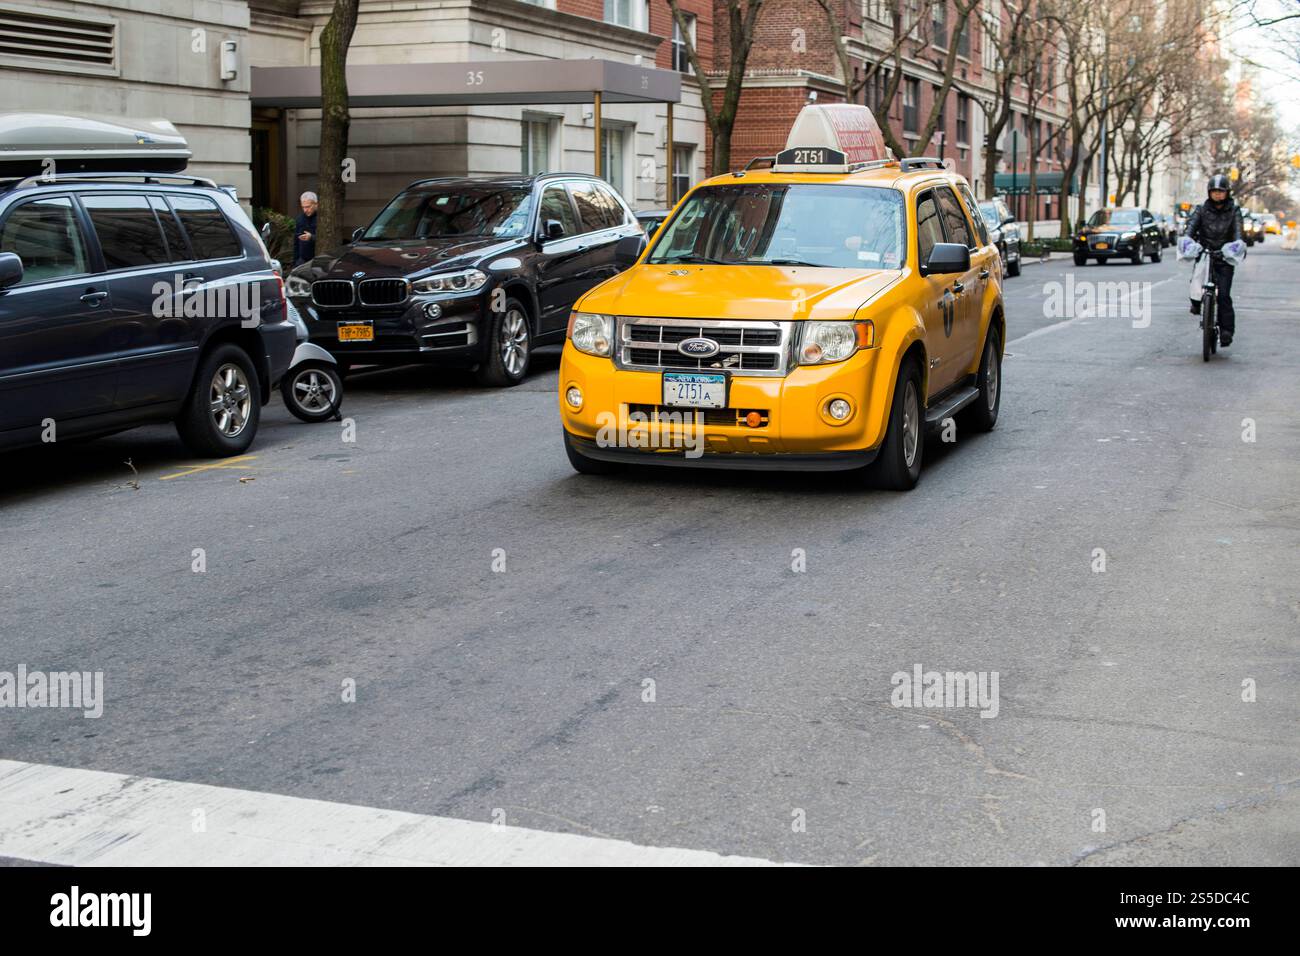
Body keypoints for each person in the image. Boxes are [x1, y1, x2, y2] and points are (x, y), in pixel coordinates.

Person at [1186, 174, 1242, 346]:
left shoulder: (1234, 210)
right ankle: (1196, 304)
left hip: (1225, 257)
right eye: (1214, 191)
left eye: (1221, 191)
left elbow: (1238, 232)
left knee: (1224, 295)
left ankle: (1226, 331)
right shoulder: (1201, 209)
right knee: (1196, 283)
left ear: (1227, 193)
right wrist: (1187, 241)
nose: (1218, 194)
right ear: (1209, 192)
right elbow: (1190, 228)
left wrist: (1236, 246)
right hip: (1206, 253)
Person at [293, 191, 318, 266]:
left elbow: (327, 239)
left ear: (316, 204)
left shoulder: (322, 219)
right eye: (303, 207)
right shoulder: (300, 219)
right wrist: (295, 262)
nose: (305, 210)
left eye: (308, 207)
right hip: (302, 260)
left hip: (317, 259)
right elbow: (296, 242)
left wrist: (312, 237)